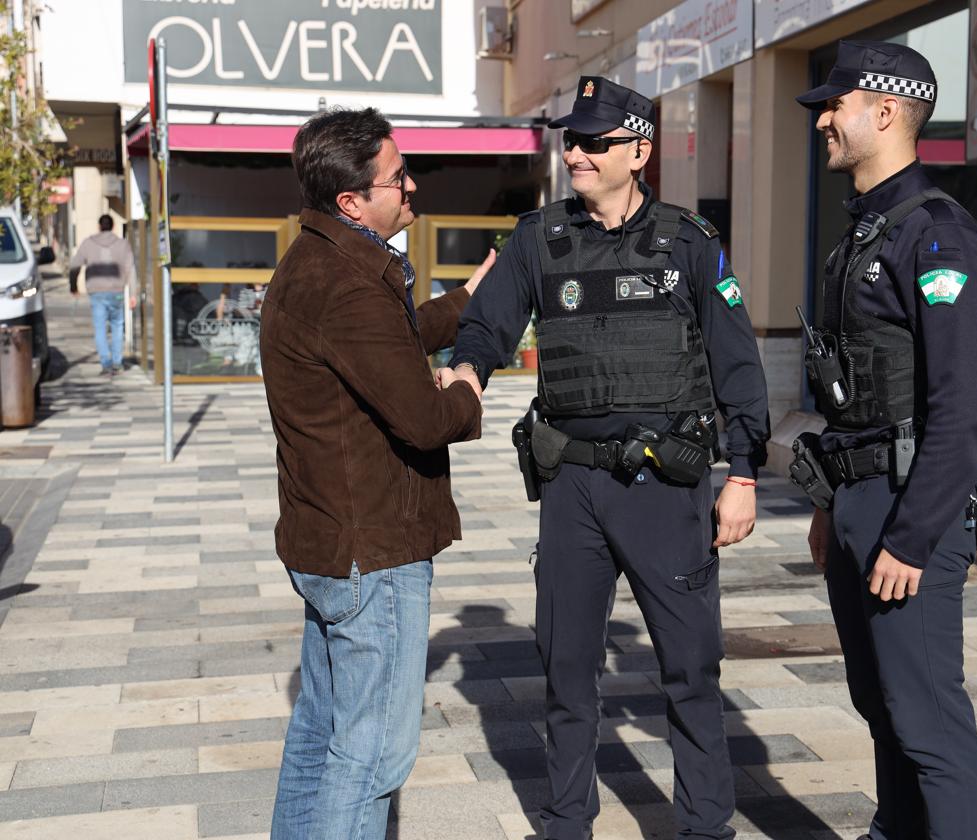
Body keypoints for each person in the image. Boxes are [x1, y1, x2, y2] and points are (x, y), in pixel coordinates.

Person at [447, 76, 771, 840]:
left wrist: (746, 475)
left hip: (665, 485)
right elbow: (487, 324)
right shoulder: (536, 238)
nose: (576, 153)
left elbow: (737, 362)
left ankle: (703, 826)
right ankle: (566, 823)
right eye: (571, 139)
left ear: (639, 149)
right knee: (565, 675)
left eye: (594, 142)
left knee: (691, 672)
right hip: (573, 486)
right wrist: (468, 367)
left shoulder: (690, 242)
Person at [260, 106, 493, 840]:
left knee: (320, 736)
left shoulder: (318, 263)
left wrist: (460, 304)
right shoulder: (351, 284)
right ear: (353, 201)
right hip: (373, 556)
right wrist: (464, 391)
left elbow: (376, 350)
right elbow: (422, 418)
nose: (412, 186)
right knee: (372, 758)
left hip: (329, 544)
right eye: (398, 178)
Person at [793, 41, 977, 840]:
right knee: (879, 705)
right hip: (859, 502)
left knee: (928, 719)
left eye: (834, 108)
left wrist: (910, 539)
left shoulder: (937, 236)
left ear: (884, 111)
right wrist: (828, 506)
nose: (823, 123)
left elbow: (967, 406)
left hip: (913, 510)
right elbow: (854, 401)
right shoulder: (863, 236)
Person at [69, 214, 136, 375]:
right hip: (117, 291)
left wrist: (73, 286)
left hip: (96, 291)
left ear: (99, 226)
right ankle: (117, 363)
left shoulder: (88, 243)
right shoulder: (123, 244)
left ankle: (106, 363)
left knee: (100, 328)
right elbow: (131, 269)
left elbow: (74, 265)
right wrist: (133, 293)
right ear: (113, 227)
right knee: (117, 326)